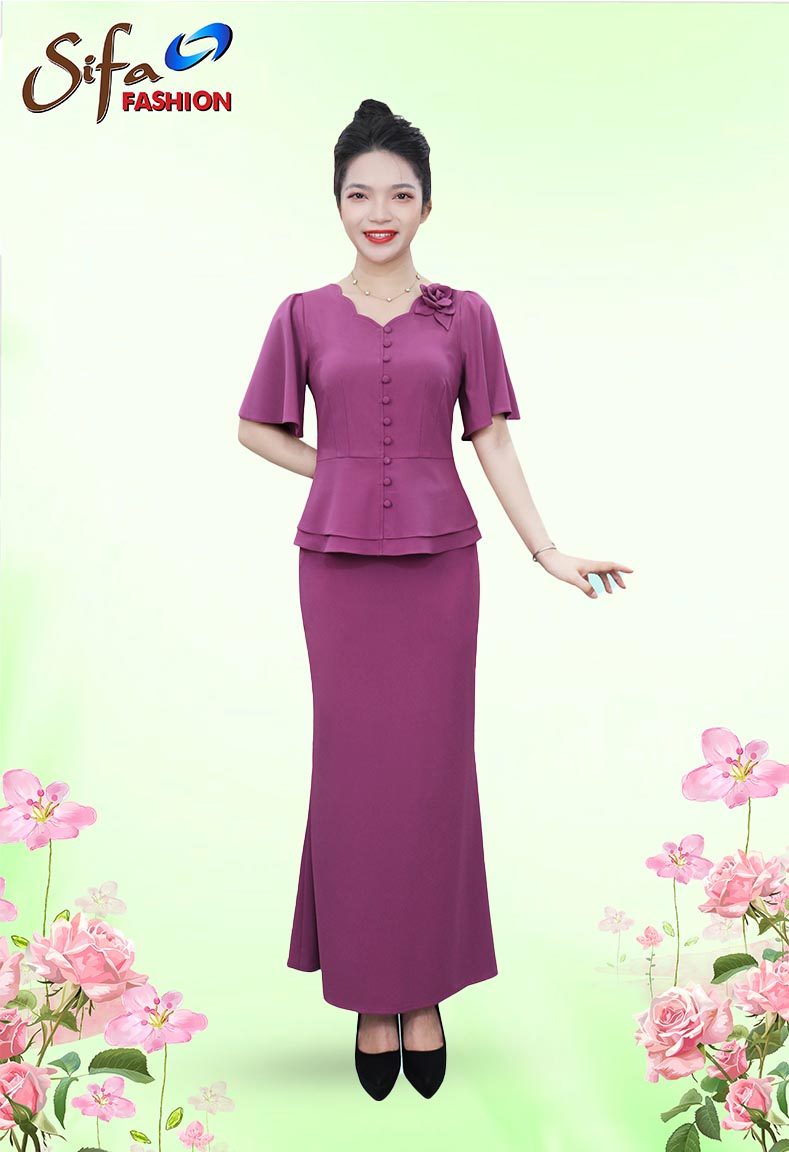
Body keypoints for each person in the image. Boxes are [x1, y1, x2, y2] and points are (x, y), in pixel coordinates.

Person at [237, 98, 633, 1101]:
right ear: (336, 203)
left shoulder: (466, 315)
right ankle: (371, 996)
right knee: (353, 775)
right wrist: (342, 471)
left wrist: (546, 548)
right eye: (359, 194)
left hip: (440, 569)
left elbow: (490, 436)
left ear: (426, 205)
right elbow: (256, 429)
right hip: (337, 570)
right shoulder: (301, 314)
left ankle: (423, 994)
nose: (380, 212)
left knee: (430, 778)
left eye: (399, 194)